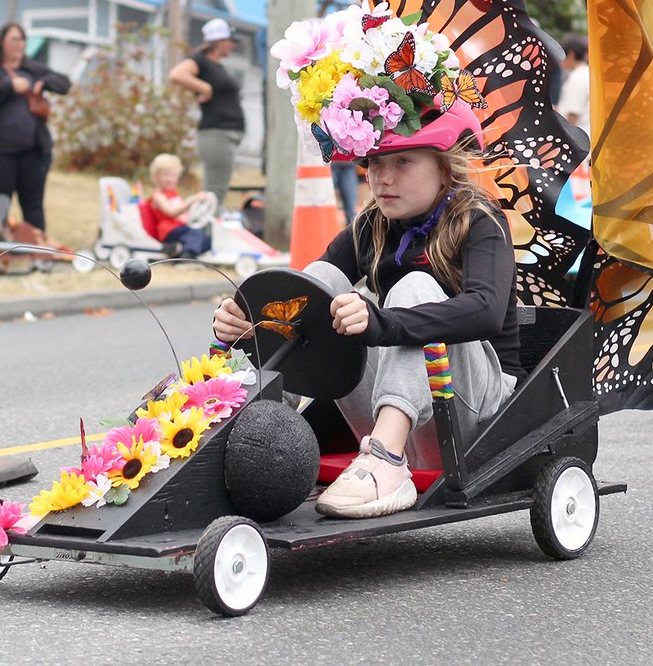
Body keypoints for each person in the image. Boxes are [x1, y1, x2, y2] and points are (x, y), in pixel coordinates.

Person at [213, 106, 524, 520]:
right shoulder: (371, 225)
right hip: (391, 411)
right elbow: (303, 299)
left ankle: (387, 460)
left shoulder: (480, 219)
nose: (384, 178)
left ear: (445, 167)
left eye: (402, 161)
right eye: (373, 163)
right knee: (321, 279)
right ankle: (254, 432)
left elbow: (485, 311)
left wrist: (385, 324)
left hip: (476, 418)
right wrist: (246, 322)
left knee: (413, 288)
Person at [0, 22, 72, 236]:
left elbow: (64, 83)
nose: (19, 44)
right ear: (1, 43)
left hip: (34, 153)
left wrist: (43, 82)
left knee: (33, 205)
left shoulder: (33, 69)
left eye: (22, 39)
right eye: (13, 39)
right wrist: (9, 86)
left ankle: (37, 253)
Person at [168, 18, 247, 210]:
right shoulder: (200, 61)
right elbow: (176, 74)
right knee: (214, 193)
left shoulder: (218, 66)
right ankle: (206, 236)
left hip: (226, 134)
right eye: (231, 40)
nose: (233, 45)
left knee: (217, 191)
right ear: (219, 41)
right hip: (216, 133)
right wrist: (204, 88)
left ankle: (208, 233)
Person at [147, 153, 213, 257]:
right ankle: (187, 256)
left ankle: (177, 249)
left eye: (173, 175)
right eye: (166, 175)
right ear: (156, 176)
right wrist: (192, 200)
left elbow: (184, 212)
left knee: (208, 239)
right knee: (195, 232)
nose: (170, 179)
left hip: (181, 228)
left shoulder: (173, 192)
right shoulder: (158, 196)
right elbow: (172, 212)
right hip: (169, 231)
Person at [555, 33, 590, 133]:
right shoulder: (588, 73)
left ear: (571, 55)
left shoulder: (576, 78)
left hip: (578, 138)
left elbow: (572, 114)